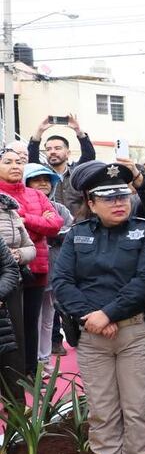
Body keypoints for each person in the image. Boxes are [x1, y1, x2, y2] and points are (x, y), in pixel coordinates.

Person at [51, 161, 145, 454]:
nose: (119, 203)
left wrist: (108, 313)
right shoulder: (77, 234)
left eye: (123, 195)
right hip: (91, 334)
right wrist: (92, 317)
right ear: (91, 200)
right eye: (108, 197)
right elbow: (62, 282)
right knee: (102, 413)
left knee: (137, 410)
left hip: (136, 332)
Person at [0, 148, 63, 372]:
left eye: (18, 162)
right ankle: (10, 379)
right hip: (6, 272)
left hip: (36, 267)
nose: (15, 166)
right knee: (10, 327)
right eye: (8, 162)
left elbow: (55, 225)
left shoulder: (35, 194)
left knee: (30, 323)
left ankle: (29, 372)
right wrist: (38, 223)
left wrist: (23, 218)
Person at [24, 164, 74, 362]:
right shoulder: (19, 205)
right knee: (32, 319)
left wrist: (46, 228)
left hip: (55, 271)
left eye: (46, 179)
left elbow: (69, 231)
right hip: (32, 271)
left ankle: (44, 359)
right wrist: (46, 226)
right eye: (37, 179)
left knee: (48, 320)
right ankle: (32, 360)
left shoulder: (59, 208)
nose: (43, 183)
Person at [27, 114, 96, 216]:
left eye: (58, 148)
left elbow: (89, 155)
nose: (52, 152)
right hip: (52, 226)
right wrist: (39, 131)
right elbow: (32, 159)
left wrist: (78, 131)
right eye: (48, 149)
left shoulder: (77, 173)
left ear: (68, 153)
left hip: (79, 226)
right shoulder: (42, 175)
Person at [0, 185, 33, 395]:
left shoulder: (9, 211)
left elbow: (9, 268)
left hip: (4, 305)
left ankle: (17, 422)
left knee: (11, 365)